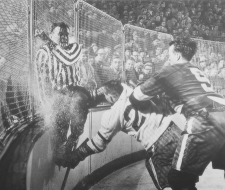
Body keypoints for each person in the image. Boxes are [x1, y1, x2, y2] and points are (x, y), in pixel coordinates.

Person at [129, 36, 225, 190]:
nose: (168, 58)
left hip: (204, 120)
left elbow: (135, 98)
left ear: (177, 55)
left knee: (178, 180)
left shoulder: (168, 70)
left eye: (170, 55)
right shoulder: (195, 69)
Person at [56, 80, 182, 190]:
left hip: (158, 143)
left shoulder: (114, 113)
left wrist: (77, 155)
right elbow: (119, 86)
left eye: (105, 95)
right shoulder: (131, 90)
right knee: (184, 180)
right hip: (176, 132)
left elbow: (99, 143)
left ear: (110, 96)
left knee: (165, 183)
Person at [35, 22, 101, 160]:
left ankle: (73, 139)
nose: (64, 37)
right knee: (60, 121)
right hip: (57, 94)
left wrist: (48, 40)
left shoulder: (74, 48)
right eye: (60, 34)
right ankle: (61, 151)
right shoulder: (43, 52)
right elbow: (41, 81)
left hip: (74, 90)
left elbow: (68, 59)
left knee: (80, 101)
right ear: (52, 34)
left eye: (66, 34)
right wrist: (46, 104)